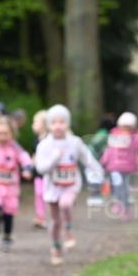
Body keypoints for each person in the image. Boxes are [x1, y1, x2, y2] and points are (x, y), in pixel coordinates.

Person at [34, 104, 104, 265]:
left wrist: (99, 172)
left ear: (68, 123)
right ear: (49, 125)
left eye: (62, 122)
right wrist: (54, 159)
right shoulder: (44, 145)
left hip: (71, 184)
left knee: (65, 204)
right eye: (54, 122)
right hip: (52, 187)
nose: (58, 126)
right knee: (54, 221)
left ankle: (69, 228)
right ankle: (56, 247)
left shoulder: (75, 142)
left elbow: (87, 158)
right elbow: (40, 168)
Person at [0, 115, 33, 251]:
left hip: (11, 186)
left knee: (9, 212)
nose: (2, 137)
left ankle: (7, 237)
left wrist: (27, 168)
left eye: (5, 134)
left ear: (12, 133)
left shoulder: (15, 147)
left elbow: (24, 158)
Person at [100, 111, 138, 219]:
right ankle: (118, 204)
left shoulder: (135, 137)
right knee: (117, 186)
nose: (126, 130)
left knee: (125, 189)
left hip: (128, 168)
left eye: (129, 127)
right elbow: (109, 151)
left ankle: (125, 209)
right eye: (124, 127)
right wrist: (103, 162)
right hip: (114, 167)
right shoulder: (114, 135)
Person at [31, 110, 49, 229]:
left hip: (47, 173)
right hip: (38, 173)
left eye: (35, 121)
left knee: (46, 195)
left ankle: (49, 216)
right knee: (38, 194)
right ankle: (40, 216)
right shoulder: (36, 140)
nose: (33, 124)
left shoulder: (49, 140)